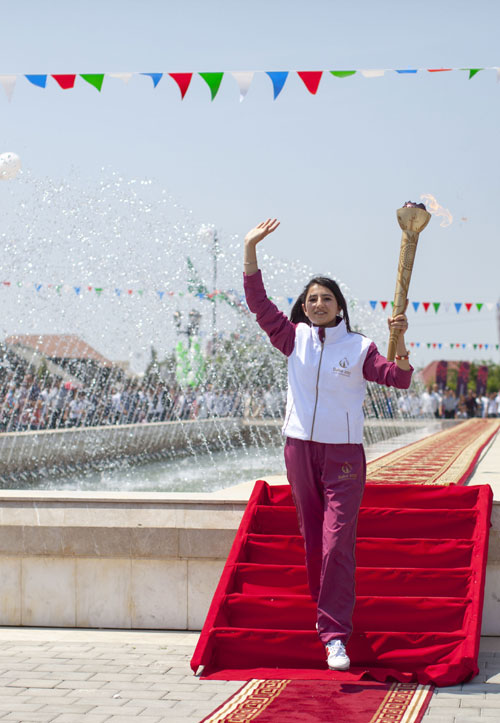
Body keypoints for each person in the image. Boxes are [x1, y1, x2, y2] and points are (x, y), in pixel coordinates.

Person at [243, 219, 413, 672]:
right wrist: (249, 249)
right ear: (304, 306)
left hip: (343, 456)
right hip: (299, 449)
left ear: (339, 308)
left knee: (337, 541)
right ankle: (327, 627)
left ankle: (335, 635)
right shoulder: (291, 337)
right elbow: (258, 303)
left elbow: (396, 379)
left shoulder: (359, 347)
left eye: (326, 298)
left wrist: (401, 347)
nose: (318, 303)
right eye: (311, 298)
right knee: (314, 539)